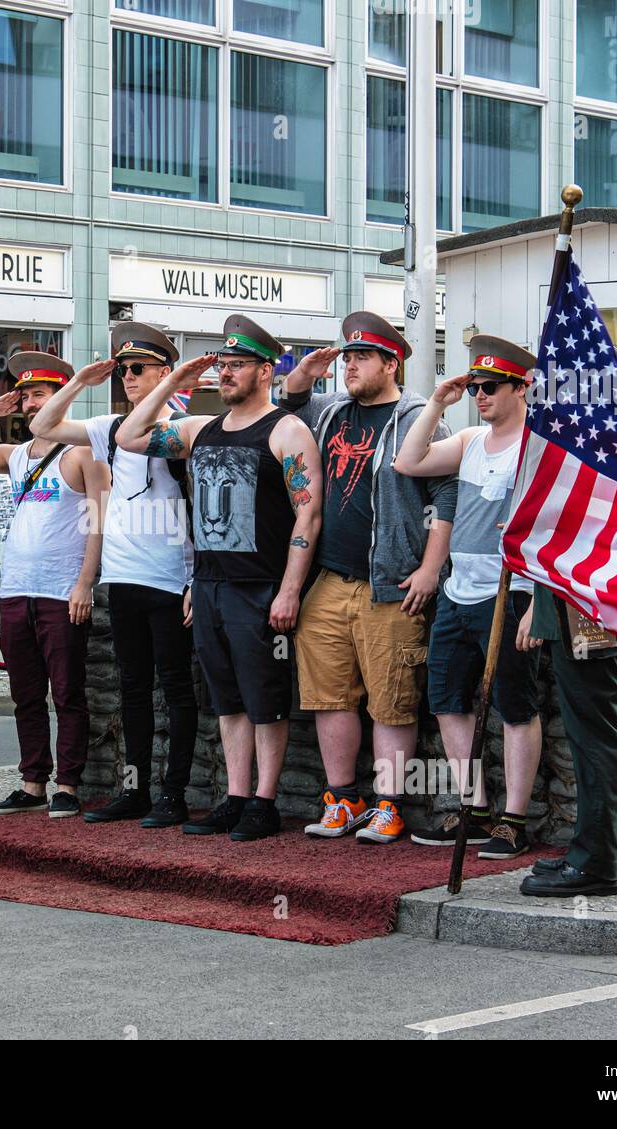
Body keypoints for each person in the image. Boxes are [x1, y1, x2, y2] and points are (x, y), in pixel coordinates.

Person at [118, 315, 322, 842]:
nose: (225, 374)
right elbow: (129, 435)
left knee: (265, 698)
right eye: (222, 365)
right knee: (226, 699)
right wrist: (172, 381)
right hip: (208, 585)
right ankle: (235, 796)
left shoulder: (286, 430)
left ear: (265, 370)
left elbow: (308, 515)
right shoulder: (198, 429)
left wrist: (290, 589)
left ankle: (264, 800)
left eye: (236, 366)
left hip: (260, 586)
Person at [280, 312, 457, 846]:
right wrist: (304, 375)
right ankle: (343, 799)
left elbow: (446, 493)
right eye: (347, 357)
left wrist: (429, 569)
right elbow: (285, 413)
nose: (350, 366)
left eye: (360, 357)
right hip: (330, 579)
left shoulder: (418, 416)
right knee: (329, 695)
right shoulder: (332, 411)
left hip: (392, 583)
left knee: (391, 698)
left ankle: (389, 804)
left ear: (390, 362)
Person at [30, 323, 198, 828]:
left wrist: (197, 579)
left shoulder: (183, 428)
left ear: (165, 374)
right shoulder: (108, 427)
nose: (126, 377)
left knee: (176, 689)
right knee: (132, 690)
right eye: (123, 370)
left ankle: (174, 794)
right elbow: (43, 426)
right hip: (123, 578)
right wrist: (79, 382)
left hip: (172, 577)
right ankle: (136, 790)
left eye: (138, 369)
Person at [394, 335, 543, 859]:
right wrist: (437, 403)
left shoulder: (539, 445)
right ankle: (474, 808)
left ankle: (514, 819)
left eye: (490, 386)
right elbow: (408, 462)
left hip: (514, 589)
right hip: (460, 590)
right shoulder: (472, 440)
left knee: (516, 708)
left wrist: (540, 603)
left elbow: (558, 524)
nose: (480, 395)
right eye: (474, 386)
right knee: (447, 700)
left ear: (521, 387)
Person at [0, 351, 108, 818]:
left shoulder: (83, 454)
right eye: (27, 396)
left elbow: (99, 522)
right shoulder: (14, 457)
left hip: (60, 591)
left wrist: (85, 583)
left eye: (41, 395)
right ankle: (32, 782)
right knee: (26, 694)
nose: (32, 404)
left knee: (68, 693)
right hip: (17, 589)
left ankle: (68, 785)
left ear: (60, 400)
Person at [517, 585, 617, 895]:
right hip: (597, 596)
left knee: (594, 735)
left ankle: (594, 863)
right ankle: (606, 850)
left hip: (582, 597)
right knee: (604, 727)